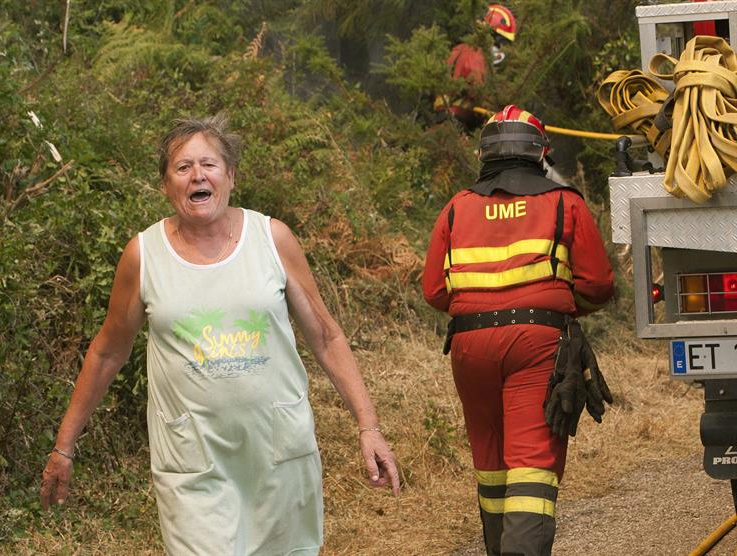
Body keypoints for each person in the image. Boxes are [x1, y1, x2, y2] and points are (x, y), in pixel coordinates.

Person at [40, 114, 400, 555]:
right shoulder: (143, 256)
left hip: (278, 455)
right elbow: (106, 354)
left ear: (231, 176)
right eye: (182, 166)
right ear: (165, 185)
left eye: (208, 164)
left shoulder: (272, 239)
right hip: (193, 466)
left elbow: (326, 336)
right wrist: (64, 447)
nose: (197, 175)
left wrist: (369, 426)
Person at [421, 105, 614, 556]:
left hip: (470, 347)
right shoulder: (565, 203)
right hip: (537, 345)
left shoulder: (455, 209)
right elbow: (599, 285)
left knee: (491, 465)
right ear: (541, 152)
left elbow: (434, 291)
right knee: (532, 467)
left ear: (482, 154)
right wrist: (559, 308)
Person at [433, 3, 518, 128]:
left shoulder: (461, 48)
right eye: (501, 42)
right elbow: (477, 90)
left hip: (445, 116)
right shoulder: (477, 54)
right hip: (459, 122)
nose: (501, 49)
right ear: (491, 36)